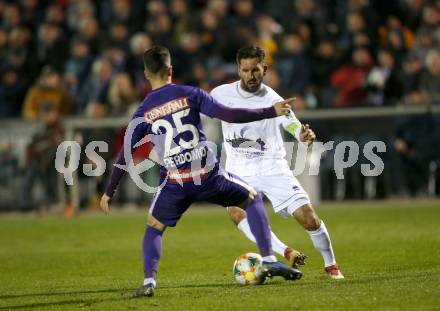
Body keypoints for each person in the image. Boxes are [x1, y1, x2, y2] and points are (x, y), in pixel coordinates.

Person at [100, 46, 301, 298]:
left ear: (146, 74)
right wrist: (269, 111)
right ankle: (269, 259)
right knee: (252, 198)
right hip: (208, 175)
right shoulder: (191, 93)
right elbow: (228, 114)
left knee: (153, 227)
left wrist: (109, 191)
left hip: (176, 183)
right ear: (171, 69)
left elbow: (125, 153)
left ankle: (149, 281)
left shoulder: (143, 110)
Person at [210, 45, 344, 279]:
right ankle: (286, 251)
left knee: (309, 219)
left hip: (272, 167)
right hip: (239, 171)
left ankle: (331, 264)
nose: (251, 76)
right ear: (238, 70)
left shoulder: (274, 99)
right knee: (236, 214)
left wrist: (304, 135)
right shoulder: (220, 94)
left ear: (266, 68)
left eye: (256, 70)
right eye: (246, 70)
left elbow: (294, 126)